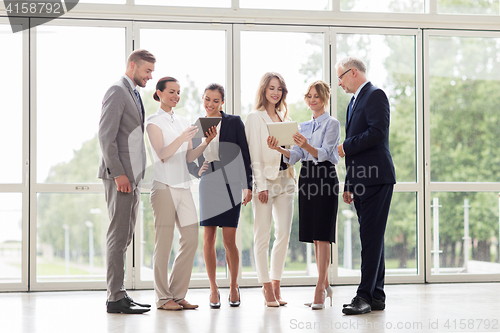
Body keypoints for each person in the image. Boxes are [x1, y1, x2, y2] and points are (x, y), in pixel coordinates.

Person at [267, 80, 340, 310]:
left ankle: (319, 288)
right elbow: (296, 155)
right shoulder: (304, 126)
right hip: (307, 177)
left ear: (324, 98)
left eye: (316, 96)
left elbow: (326, 153)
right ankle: (325, 284)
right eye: (308, 96)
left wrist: (306, 145)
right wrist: (279, 149)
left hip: (325, 176)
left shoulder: (332, 124)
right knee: (314, 234)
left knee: (323, 234)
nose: (311, 100)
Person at [146, 76, 216, 311]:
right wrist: (182, 137)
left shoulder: (184, 120)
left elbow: (188, 157)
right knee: (163, 244)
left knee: (191, 239)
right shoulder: (153, 121)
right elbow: (163, 153)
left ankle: (177, 294)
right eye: (171, 92)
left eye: (178, 92)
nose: (176, 96)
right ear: (159, 93)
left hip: (183, 186)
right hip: (163, 186)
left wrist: (206, 142)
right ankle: (162, 298)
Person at [335, 56, 396, 315]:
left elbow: (378, 131)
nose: (339, 83)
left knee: (369, 238)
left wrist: (345, 146)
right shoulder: (353, 101)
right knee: (373, 238)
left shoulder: (375, 95)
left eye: (340, 77)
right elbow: (356, 145)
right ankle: (377, 296)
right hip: (361, 180)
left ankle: (364, 296)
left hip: (377, 178)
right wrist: (348, 184)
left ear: (353, 73)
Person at [98, 49, 155, 314]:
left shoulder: (133, 93)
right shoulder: (117, 91)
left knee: (125, 236)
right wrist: (118, 173)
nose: (150, 76)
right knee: (118, 236)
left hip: (132, 177)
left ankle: (119, 293)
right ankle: (114, 298)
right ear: (132, 66)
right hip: (120, 176)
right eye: (147, 71)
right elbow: (105, 136)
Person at [190, 83, 253, 309]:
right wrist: (199, 169)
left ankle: (234, 286)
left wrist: (248, 186)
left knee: (229, 240)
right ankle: (213, 288)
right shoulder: (197, 126)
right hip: (208, 183)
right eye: (207, 99)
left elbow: (245, 154)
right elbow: (191, 158)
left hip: (231, 183)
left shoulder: (234, 122)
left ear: (222, 102)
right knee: (208, 238)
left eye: (215, 101)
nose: (210, 104)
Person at [245, 72, 295, 307]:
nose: (276, 92)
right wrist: (260, 186)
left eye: (280, 89)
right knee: (262, 235)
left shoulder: (285, 116)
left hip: (286, 180)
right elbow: (254, 151)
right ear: (264, 90)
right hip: (265, 182)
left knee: (283, 234)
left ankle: (276, 283)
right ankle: (266, 288)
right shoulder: (255, 117)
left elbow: (291, 152)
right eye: (272, 88)